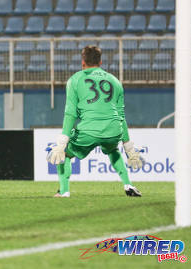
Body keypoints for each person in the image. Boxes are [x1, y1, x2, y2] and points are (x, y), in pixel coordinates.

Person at [46, 46, 144, 198]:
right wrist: (128, 147)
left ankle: (64, 191)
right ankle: (128, 184)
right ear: (101, 61)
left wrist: (62, 141)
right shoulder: (115, 81)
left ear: (82, 62)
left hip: (89, 131)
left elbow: (70, 113)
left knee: (63, 154)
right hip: (113, 131)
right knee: (112, 150)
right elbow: (121, 115)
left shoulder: (75, 79)